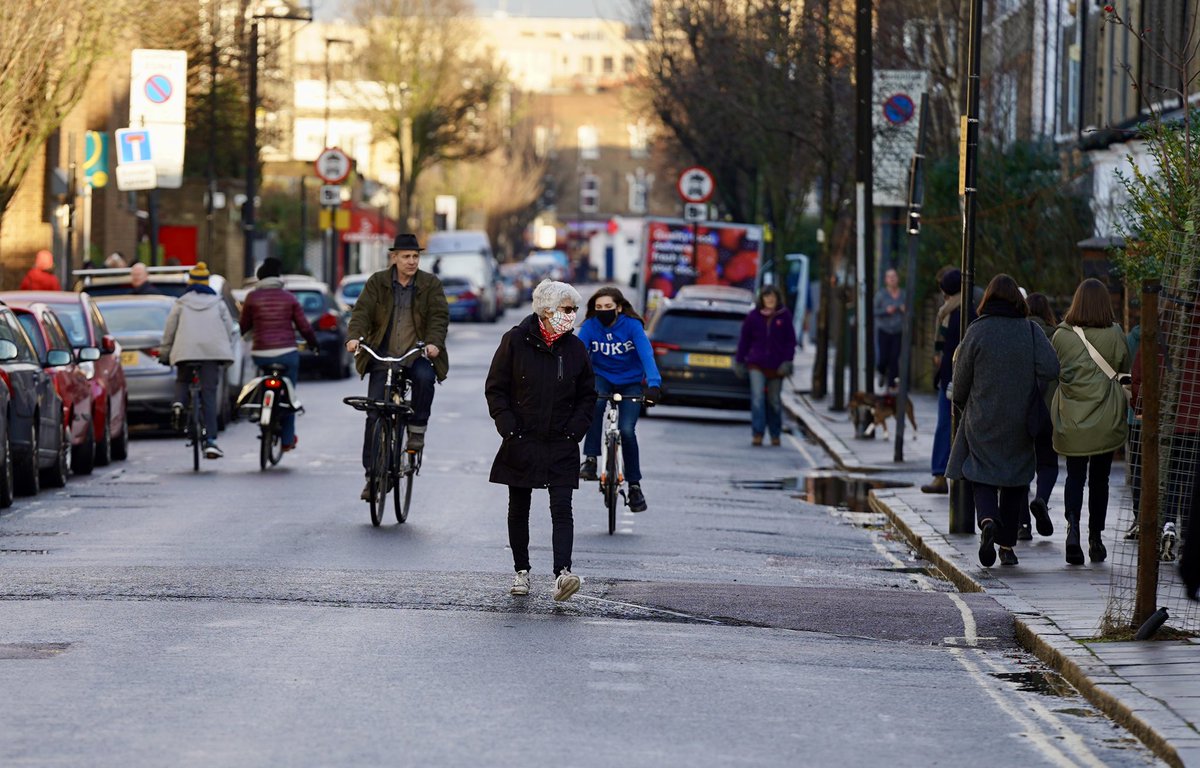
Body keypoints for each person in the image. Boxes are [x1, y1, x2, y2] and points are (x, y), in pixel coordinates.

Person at [485, 280, 596, 602]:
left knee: (562, 508)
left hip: (561, 440)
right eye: (567, 309)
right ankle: (521, 570)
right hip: (522, 438)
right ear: (547, 311)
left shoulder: (575, 348)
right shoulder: (515, 340)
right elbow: (496, 388)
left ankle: (563, 573)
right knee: (519, 507)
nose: (573, 315)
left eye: (575, 309)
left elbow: (587, 394)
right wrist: (508, 427)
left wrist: (575, 431)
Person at [947, 274, 1059, 567]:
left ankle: (986, 522)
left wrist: (963, 406)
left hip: (983, 416)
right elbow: (1051, 368)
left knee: (979, 473)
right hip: (1020, 420)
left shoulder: (977, 330)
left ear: (988, 300)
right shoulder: (1030, 331)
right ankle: (1007, 546)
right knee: (1015, 479)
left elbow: (959, 384)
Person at [346, 233, 449, 501]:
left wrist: (434, 343)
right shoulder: (377, 282)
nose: (412, 261)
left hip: (416, 354)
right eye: (406, 256)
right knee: (373, 415)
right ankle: (372, 476)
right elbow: (361, 312)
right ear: (394, 258)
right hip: (382, 355)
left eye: (415, 256)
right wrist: (354, 337)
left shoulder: (430, 284)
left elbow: (439, 317)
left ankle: (416, 431)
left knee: (426, 378)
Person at [1050, 278, 1131, 565]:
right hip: (1106, 418)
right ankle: (1095, 538)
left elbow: (1052, 370)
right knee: (1101, 479)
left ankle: (1072, 529)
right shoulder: (1115, 334)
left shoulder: (1061, 336)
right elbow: (1125, 369)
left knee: (1075, 475)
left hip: (1072, 419)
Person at [577, 287, 661, 512]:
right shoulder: (590, 326)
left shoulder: (632, 326)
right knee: (594, 403)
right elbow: (577, 354)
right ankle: (591, 459)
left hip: (630, 382)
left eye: (608, 307)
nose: (603, 311)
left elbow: (646, 354)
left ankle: (634, 485)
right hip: (601, 377)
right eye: (598, 308)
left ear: (619, 308)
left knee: (626, 430)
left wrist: (653, 384)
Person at [159, 262, 238, 459]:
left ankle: (178, 402)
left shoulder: (181, 303)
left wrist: (165, 353)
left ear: (191, 282)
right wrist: (224, 347)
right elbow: (229, 329)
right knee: (209, 394)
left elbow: (170, 330)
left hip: (186, 352)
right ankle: (210, 441)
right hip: (212, 354)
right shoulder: (218, 302)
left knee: (183, 380)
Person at [240, 257, 319, 452]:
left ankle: (259, 406)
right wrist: (313, 345)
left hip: (261, 352)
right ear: (278, 277)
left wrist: (250, 335)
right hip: (286, 352)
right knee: (289, 395)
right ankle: (287, 440)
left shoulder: (252, 297)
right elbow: (304, 327)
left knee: (261, 376)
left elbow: (244, 326)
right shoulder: (289, 297)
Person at [922, 268, 974, 494]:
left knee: (946, 425)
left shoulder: (962, 312)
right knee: (949, 425)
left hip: (955, 376)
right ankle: (942, 474)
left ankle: (942, 474)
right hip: (951, 375)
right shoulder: (951, 311)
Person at [735, 285, 798, 446]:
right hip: (756, 363)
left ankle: (775, 433)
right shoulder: (753, 317)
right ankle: (758, 433)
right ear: (761, 299)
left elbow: (790, 341)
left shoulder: (784, 317)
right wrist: (740, 361)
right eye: (766, 296)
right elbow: (744, 341)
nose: (770, 300)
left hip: (777, 366)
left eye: (773, 297)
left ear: (777, 299)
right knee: (757, 398)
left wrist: (787, 361)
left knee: (774, 401)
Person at [1022, 292, 1060, 541]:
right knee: (1047, 463)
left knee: (1020, 467)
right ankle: (1042, 499)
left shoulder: (1020, 334)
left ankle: (1022, 525)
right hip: (1049, 410)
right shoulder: (1057, 336)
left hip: (1022, 410)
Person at [873, 268, 905, 389]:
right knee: (883, 358)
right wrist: (886, 311)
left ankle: (892, 385)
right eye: (889, 276)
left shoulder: (903, 294)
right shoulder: (881, 294)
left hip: (898, 330)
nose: (892, 279)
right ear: (886, 280)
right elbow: (874, 311)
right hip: (884, 330)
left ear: (898, 278)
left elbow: (910, 312)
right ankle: (881, 372)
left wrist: (904, 309)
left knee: (894, 357)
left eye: (894, 276)